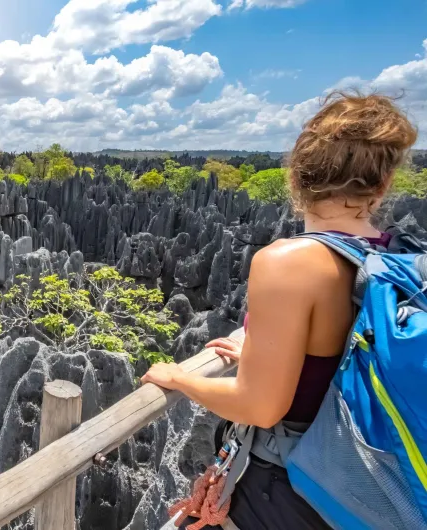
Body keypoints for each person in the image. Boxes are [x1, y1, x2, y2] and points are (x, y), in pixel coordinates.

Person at [141, 91, 419, 530]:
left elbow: (260, 407)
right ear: (383, 186)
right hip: (362, 483)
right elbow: (342, 353)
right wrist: (263, 353)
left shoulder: (288, 262)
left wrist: (178, 379)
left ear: (296, 178)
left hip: (292, 490)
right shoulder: (392, 258)